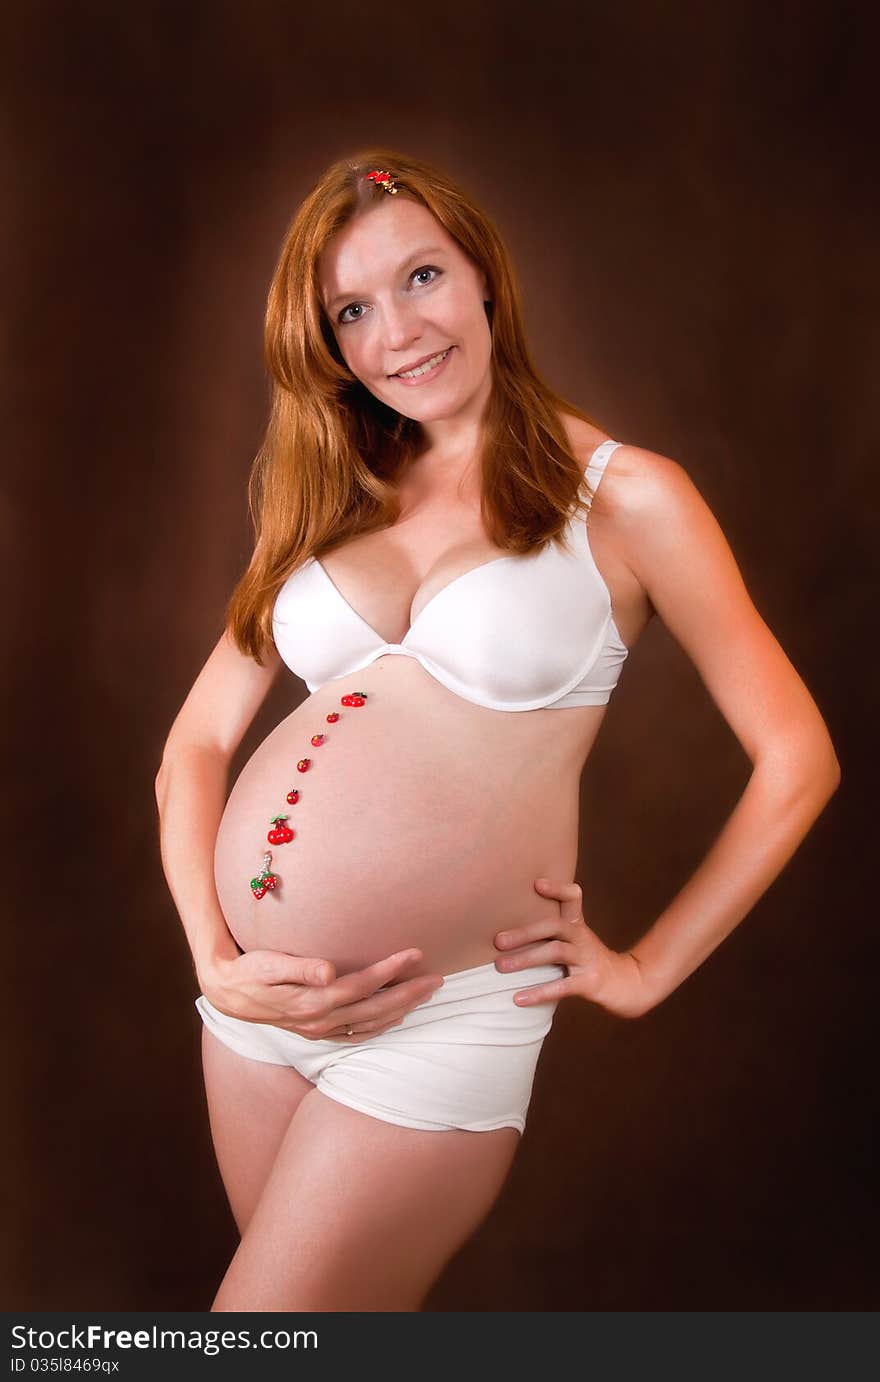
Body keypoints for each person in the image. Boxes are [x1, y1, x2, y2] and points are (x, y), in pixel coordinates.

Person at [154, 149, 841, 1312]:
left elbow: (797, 758)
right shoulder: (334, 495)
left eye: (421, 276)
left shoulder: (627, 497)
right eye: (352, 311)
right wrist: (217, 963)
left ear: (484, 277)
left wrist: (644, 968)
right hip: (256, 1013)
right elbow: (195, 750)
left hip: (437, 1024)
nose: (398, 333)